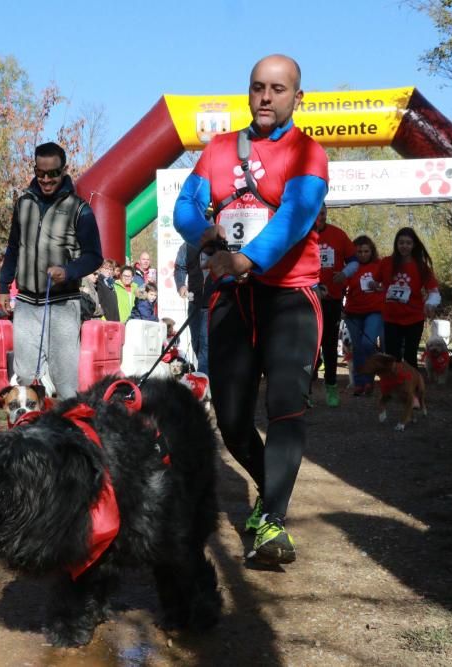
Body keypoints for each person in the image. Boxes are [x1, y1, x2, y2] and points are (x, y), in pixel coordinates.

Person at [174, 54, 328, 567]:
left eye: (279, 89)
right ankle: (272, 492)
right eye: (259, 87)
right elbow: (186, 205)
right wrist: (207, 233)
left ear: (296, 98)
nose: (267, 96)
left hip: (290, 296)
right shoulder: (218, 151)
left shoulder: (309, 153)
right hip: (233, 300)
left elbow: (297, 216)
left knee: (285, 406)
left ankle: (273, 521)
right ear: (248, 92)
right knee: (234, 420)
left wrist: (246, 257)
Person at [0, 142, 103, 399]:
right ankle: (27, 435)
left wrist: (68, 271)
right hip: (25, 302)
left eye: (52, 173)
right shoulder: (23, 204)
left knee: (65, 383)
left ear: (64, 170)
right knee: (24, 378)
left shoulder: (81, 209)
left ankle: (67, 435)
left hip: (63, 304)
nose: (45, 179)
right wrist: (3, 286)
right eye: (40, 173)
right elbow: (13, 248)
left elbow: (94, 257)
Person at [376, 227, 440, 370]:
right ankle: (393, 388)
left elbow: (434, 291)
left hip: (414, 317)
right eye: (401, 243)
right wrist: (373, 285)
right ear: (396, 244)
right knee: (392, 356)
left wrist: (430, 303)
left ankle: (413, 389)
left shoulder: (421, 267)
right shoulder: (386, 262)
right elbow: (375, 281)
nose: (404, 246)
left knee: (410, 356)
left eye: (408, 243)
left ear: (414, 245)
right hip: (391, 317)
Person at [313, 204, 358, 406]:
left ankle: (331, 387)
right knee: (309, 345)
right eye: (316, 212)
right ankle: (305, 390)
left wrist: (344, 274)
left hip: (331, 299)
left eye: (322, 212)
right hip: (307, 298)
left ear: (326, 214)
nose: (320, 216)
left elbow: (355, 261)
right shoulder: (301, 234)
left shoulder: (338, 235)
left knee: (329, 345)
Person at [342, 235, 383, 396]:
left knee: (368, 344)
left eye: (366, 251)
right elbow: (341, 286)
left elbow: (388, 282)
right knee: (357, 348)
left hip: (374, 311)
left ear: (371, 251)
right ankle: (360, 383)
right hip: (353, 312)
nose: (363, 254)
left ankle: (370, 377)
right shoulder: (350, 267)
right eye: (359, 251)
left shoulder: (379, 265)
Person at [173, 242, 209, 373]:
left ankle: (203, 379)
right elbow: (179, 268)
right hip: (193, 302)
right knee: (196, 341)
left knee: (206, 343)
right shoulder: (186, 246)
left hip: (211, 303)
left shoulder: (216, 245)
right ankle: (205, 373)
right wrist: (181, 285)